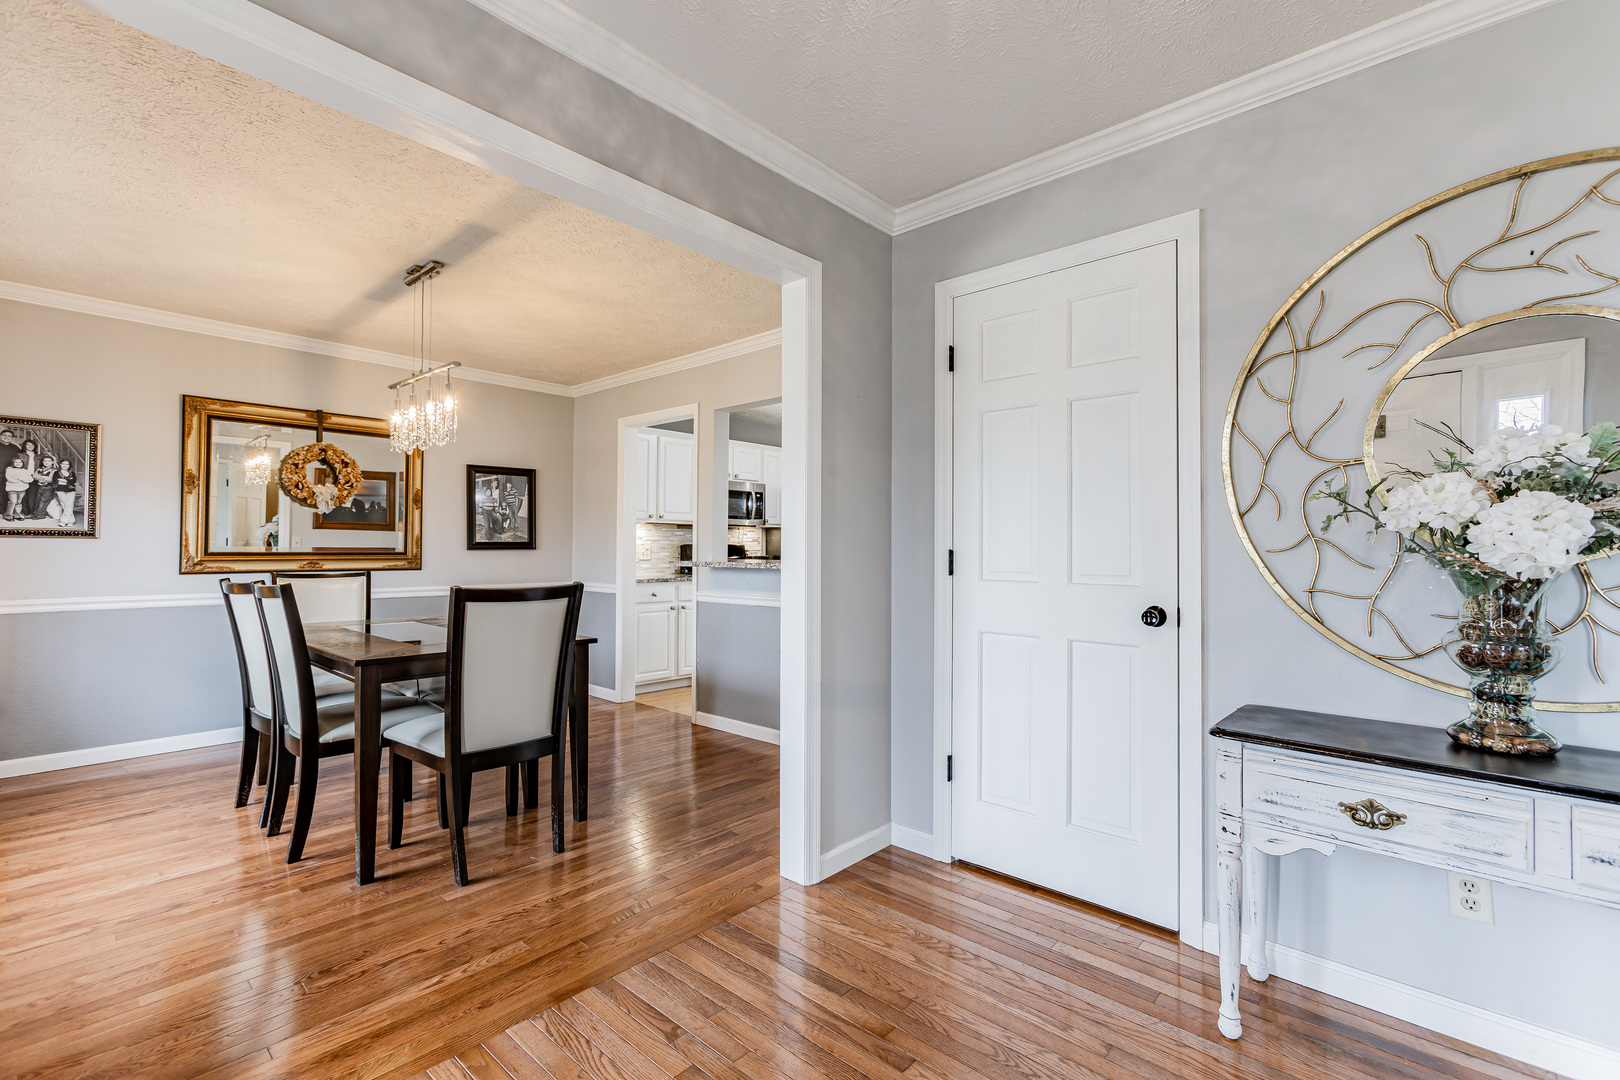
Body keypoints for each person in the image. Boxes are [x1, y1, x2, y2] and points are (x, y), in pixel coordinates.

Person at [49, 458, 77, 527]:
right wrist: (67, 480)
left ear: (69, 465)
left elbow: (73, 481)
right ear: (60, 464)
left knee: (69, 505)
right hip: (60, 490)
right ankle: (71, 520)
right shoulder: (56, 472)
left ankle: (64, 521)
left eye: (67, 464)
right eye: (63, 464)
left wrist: (63, 480)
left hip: (71, 490)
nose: (65, 465)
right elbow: (55, 481)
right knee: (64, 505)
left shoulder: (72, 473)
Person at [28, 452, 57, 519]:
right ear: (43, 462)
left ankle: (40, 515)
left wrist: (39, 477)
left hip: (48, 487)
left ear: (52, 462)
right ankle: (35, 514)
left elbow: (50, 480)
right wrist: (43, 478)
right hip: (40, 486)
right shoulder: (40, 469)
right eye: (45, 461)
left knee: (43, 502)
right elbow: (34, 476)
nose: (47, 462)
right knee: (38, 501)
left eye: (49, 461)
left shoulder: (54, 470)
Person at [5, 453, 31, 520]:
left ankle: (17, 514)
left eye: (20, 462)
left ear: (22, 463)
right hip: (12, 488)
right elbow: (10, 479)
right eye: (15, 462)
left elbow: (30, 479)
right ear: (13, 463)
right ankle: (8, 515)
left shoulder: (25, 471)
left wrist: (20, 479)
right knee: (12, 501)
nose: (18, 463)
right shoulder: (10, 470)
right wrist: (21, 480)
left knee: (18, 502)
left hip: (22, 489)